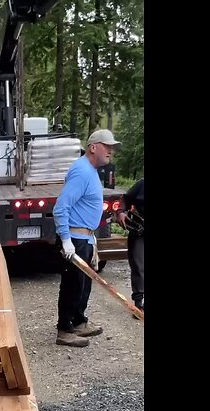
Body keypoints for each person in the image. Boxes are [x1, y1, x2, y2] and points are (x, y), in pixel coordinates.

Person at [53, 129, 121, 347]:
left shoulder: (91, 171)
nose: (111, 150)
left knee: (84, 284)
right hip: (74, 238)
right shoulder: (82, 172)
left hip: (85, 238)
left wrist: (92, 243)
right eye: (107, 146)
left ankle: (79, 321)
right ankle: (64, 329)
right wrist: (65, 240)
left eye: (112, 147)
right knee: (73, 284)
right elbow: (61, 208)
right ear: (93, 147)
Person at [115, 177, 145, 315]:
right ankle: (139, 305)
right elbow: (125, 199)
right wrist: (120, 212)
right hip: (140, 231)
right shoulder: (141, 184)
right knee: (138, 266)